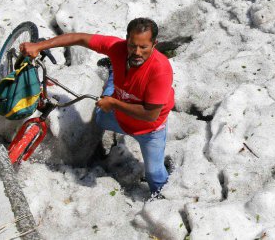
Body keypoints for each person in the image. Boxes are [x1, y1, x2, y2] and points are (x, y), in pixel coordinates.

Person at [19, 17, 174, 198]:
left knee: (155, 175)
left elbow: (150, 114)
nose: (137, 52)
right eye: (132, 45)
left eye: (144, 47)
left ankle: (161, 199)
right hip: (120, 116)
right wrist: (40, 46)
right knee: (100, 117)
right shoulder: (118, 48)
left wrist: (114, 103)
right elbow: (80, 38)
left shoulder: (160, 70)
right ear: (126, 39)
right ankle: (112, 73)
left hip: (149, 130)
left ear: (154, 44)